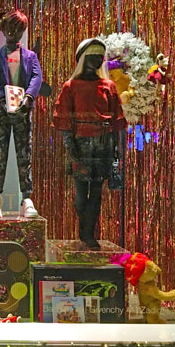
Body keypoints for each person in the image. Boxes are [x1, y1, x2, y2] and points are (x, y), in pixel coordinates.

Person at [52, 38, 127, 250]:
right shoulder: (71, 86)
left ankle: (88, 233)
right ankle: (84, 228)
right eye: (91, 56)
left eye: (99, 57)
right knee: (80, 194)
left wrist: (115, 149)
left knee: (96, 192)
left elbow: (116, 119)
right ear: (82, 59)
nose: (96, 60)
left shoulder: (108, 86)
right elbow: (64, 117)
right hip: (81, 144)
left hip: (102, 144)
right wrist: (70, 145)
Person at [0, 9, 42, 218]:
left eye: (17, 29)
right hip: (2, 111)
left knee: (24, 153)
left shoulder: (30, 56)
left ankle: (26, 197)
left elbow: (36, 77)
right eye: (9, 28)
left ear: (22, 31)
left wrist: (29, 98)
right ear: (3, 29)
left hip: (22, 111)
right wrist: (1, 98)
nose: (12, 33)